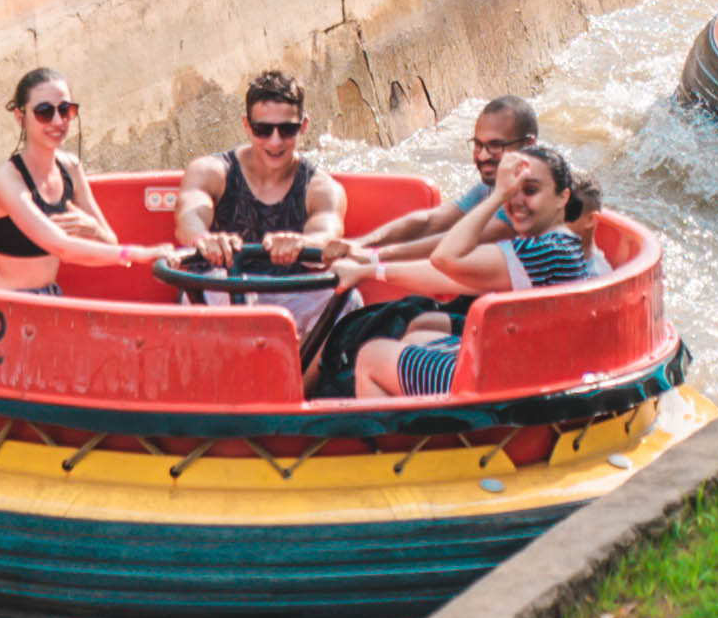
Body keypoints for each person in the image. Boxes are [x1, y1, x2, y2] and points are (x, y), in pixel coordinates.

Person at [341, 144, 603, 398]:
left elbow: (445, 257)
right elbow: (446, 277)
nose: (518, 201)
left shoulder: (544, 251)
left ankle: (396, 443)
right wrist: (368, 270)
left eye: (531, 190)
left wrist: (499, 195)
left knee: (370, 357)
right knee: (420, 334)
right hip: (525, 369)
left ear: (563, 198)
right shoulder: (552, 244)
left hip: (507, 383)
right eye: (513, 191)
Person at [175, 70, 351, 267]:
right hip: (217, 287)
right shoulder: (209, 173)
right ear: (247, 126)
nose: (275, 142)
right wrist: (202, 239)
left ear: (303, 126)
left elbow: (327, 234)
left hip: (291, 293)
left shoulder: (322, 189)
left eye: (287, 130)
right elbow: (189, 217)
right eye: (263, 130)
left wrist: (303, 243)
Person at [0, 68, 134, 291]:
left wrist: (93, 229)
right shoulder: (7, 179)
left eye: (65, 110)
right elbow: (63, 248)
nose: (58, 121)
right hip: (11, 307)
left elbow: (111, 246)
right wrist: (142, 254)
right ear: (21, 117)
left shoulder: (70, 168)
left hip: (50, 298)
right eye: (44, 112)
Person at [346, 96, 540, 260]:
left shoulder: (532, 192)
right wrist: (360, 243)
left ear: (529, 145)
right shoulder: (493, 186)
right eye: (478, 145)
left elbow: (466, 239)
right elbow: (431, 221)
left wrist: (373, 257)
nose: (482, 156)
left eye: (495, 145)